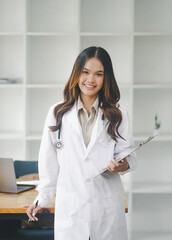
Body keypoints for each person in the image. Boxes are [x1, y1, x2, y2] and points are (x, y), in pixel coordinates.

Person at [26, 46, 137, 240]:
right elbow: (48, 163)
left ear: (106, 78)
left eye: (98, 74)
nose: (90, 80)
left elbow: (128, 154)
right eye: (85, 72)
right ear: (77, 74)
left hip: (106, 212)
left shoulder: (117, 115)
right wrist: (41, 200)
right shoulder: (57, 114)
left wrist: (122, 164)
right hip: (71, 211)